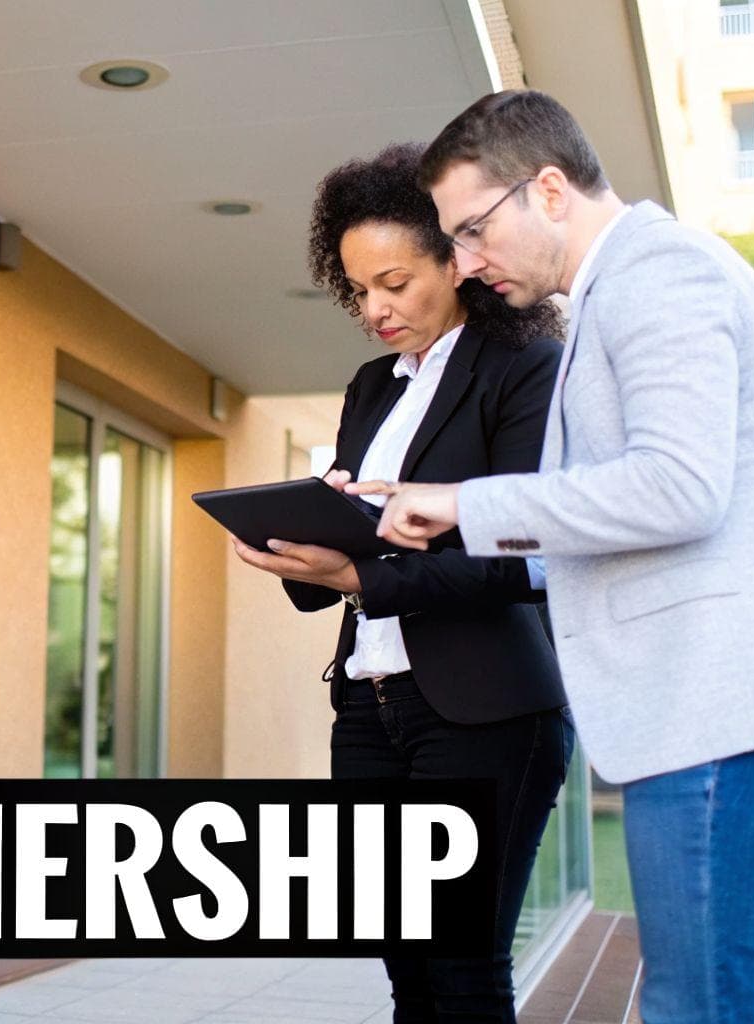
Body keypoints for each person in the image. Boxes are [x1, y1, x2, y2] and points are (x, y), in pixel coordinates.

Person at [364, 91, 754, 1023]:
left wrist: (467, 501)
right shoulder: (618, 292)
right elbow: (611, 524)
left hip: (727, 713)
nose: (463, 263)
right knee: (745, 1004)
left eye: (471, 231)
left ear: (548, 189)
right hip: (715, 715)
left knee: (701, 1008)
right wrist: (397, 543)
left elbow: (677, 488)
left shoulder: (660, 273)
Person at [231, 142, 571, 1023]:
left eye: (394, 282)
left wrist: (362, 570)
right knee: (406, 975)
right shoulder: (371, 388)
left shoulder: (522, 372)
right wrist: (303, 543)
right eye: (356, 290)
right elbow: (352, 565)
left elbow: (520, 557)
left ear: (458, 262)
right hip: (370, 708)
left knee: (460, 972)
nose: (373, 310)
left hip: (486, 708)